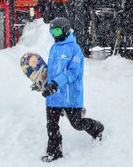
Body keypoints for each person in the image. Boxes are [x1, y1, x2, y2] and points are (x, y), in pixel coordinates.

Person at [41, 17, 104, 163]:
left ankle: (97, 128)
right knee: (51, 125)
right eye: (52, 32)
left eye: (57, 31)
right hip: (54, 95)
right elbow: (51, 71)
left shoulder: (75, 49)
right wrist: (44, 84)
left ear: (65, 30)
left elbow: (73, 73)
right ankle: (54, 152)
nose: (54, 35)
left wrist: (56, 84)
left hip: (70, 95)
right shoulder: (54, 48)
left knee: (77, 124)